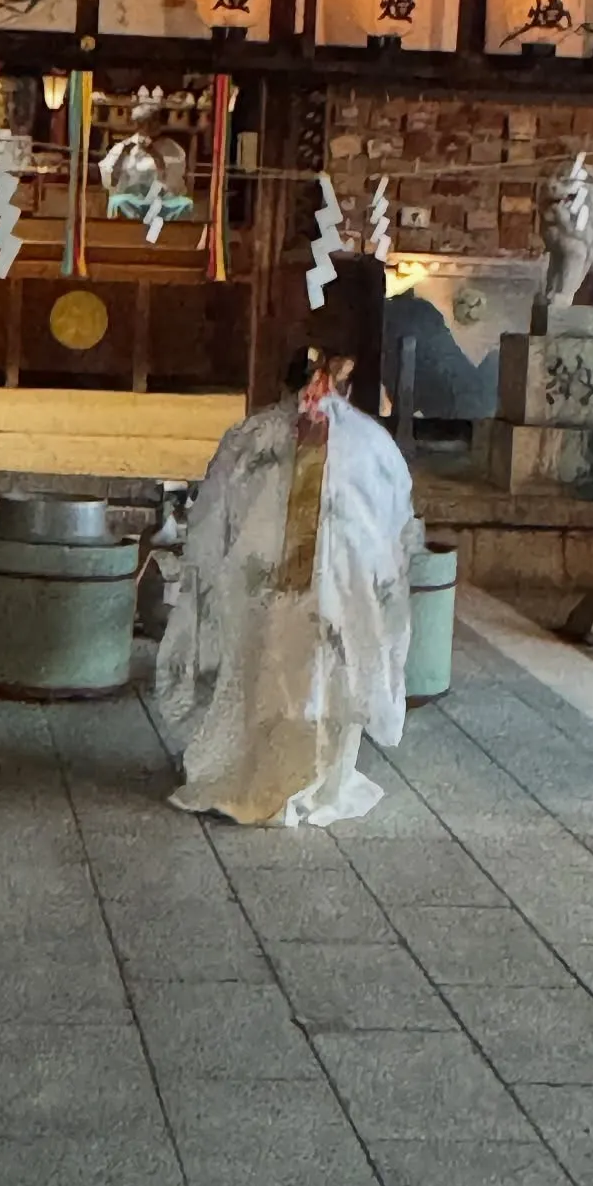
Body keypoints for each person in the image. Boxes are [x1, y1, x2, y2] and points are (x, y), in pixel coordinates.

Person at [155, 345, 418, 826]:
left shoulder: (249, 437)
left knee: (263, 670)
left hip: (261, 588)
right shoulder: (374, 444)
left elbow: (212, 521)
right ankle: (324, 779)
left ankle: (256, 775)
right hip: (342, 594)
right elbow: (397, 530)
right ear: (346, 385)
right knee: (329, 677)